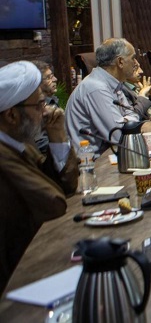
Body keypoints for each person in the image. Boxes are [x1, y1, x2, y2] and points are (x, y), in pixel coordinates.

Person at [0, 61, 78, 292]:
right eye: (39, 105)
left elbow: (67, 185)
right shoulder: (4, 155)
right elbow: (53, 202)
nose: (46, 112)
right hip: (15, 275)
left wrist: (57, 135)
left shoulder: (20, 143)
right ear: (12, 115)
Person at [65, 38, 150, 152]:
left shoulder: (112, 83)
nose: (136, 63)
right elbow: (118, 136)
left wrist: (126, 121)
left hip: (111, 151)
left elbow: (130, 114)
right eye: (133, 58)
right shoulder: (96, 88)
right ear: (120, 62)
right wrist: (126, 122)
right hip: (92, 159)